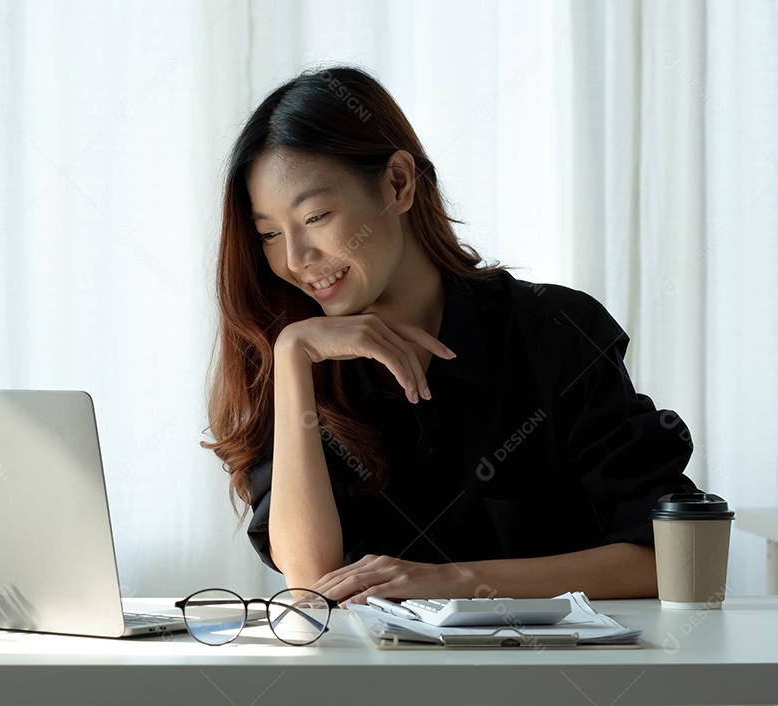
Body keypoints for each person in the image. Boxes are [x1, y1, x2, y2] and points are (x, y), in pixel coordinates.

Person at [202, 66, 699, 604]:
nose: (296, 260)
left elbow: (667, 560)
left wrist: (451, 581)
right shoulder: (294, 356)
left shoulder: (555, 333)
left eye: (316, 216)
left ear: (398, 183)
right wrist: (294, 357)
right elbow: (310, 584)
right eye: (270, 235)